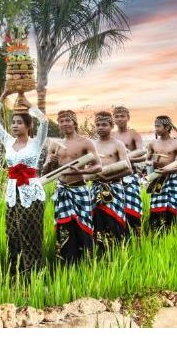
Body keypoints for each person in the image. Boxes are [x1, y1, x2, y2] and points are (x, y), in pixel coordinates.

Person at [0, 89, 48, 277]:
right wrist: (4, 95)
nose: (14, 125)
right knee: (13, 234)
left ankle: (35, 276)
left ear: (29, 125)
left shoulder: (36, 143)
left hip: (31, 194)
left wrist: (28, 104)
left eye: (19, 122)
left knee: (31, 234)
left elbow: (44, 121)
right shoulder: (8, 141)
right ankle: (17, 274)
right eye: (13, 122)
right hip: (12, 194)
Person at [43, 110, 102, 265]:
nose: (64, 124)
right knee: (64, 226)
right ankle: (67, 263)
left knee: (84, 226)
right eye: (61, 121)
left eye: (67, 120)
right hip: (62, 190)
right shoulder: (54, 145)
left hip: (80, 189)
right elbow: (46, 173)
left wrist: (81, 171)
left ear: (74, 122)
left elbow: (98, 166)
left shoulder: (86, 142)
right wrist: (50, 162)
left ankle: (87, 263)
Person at [86, 111, 132, 252]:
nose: (100, 127)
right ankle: (99, 252)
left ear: (111, 126)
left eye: (104, 124)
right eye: (98, 124)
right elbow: (87, 168)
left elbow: (128, 169)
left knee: (115, 219)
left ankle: (117, 251)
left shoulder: (118, 144)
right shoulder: (91, 145)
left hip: (114, 188)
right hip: (96, 187)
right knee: (97, 219)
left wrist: (108, 177)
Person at [146, 115, 177, 232]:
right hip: (157, 177)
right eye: (155, 126)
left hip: (172, 178)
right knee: (157, 204)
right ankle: (156, 232)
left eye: (158, 126)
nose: (156, 129)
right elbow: (147, 161)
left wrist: (168, 170)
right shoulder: (152, 144)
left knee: (173, 203)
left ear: (167, 127)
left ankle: (173, 231)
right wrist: (152, 165)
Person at [112, 105, 145, 236]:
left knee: (133, 208)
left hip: (130, 175)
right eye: (116, 116)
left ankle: (137, 238)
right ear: (113, 119)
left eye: (122, 116)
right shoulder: (111, 135)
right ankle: (120, 237)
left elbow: (142, 155)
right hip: (113, 177)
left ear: (128, 118)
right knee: (115, 208)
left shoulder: (134, 134)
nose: (119, 119)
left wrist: (126, 158)